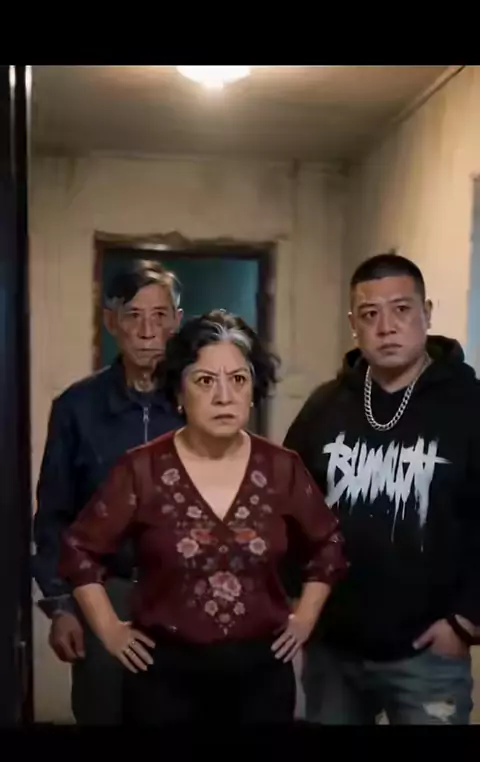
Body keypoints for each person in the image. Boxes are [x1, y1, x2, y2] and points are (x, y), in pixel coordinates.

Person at [58, 310, 347, 726]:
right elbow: (79, 549)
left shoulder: (282, 468)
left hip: (260, 679)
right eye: (205, 381)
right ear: (179, 391)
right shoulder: (142, 469)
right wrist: (110, 630)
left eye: (238, 380)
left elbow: (328, 544)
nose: (224, 396)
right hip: (164, 679)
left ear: (253, 391)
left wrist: (305, 617)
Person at [284, 252, 480, 725]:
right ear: (354, 324)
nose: (386, 327)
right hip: (333, 650)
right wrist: (295, 604)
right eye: (370, 314)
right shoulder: (325, 407)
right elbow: (287, 509)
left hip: (428, 655)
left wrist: (466, 621)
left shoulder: (469, 407)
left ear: (426, 313)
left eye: (402, 310)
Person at [32, 259, 184, 724]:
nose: (147, 331)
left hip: (182, 596)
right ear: (111, 322)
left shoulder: (196, 401)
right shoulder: (77, 407)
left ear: (177, 321)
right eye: (133, 316)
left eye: (159, 316)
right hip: (103, 595)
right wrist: (61, 606)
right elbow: (54, 514)